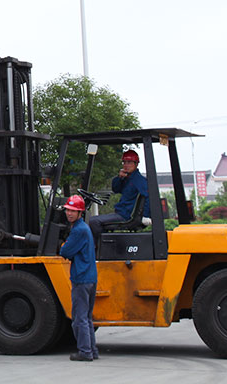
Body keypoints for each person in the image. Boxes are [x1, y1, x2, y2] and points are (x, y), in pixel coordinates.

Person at [59, 194, 99, 361]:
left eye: (73, 211)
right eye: (68, 210)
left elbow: (65, 251)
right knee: (87, 318)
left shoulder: (78, 231)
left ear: (80, 213)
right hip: (90, 277)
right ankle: (92, 351)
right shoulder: (84, 228)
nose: (69, 213)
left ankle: (85, 352)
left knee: (79, 318)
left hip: (81, 278)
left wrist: (63, 245)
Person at [88, 149, 150, 242]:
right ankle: (103, 244)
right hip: (122, 213)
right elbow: (116, 189)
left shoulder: (139, 181)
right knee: (96, 221)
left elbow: (148, 197)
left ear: (136, 164)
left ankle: (98, 247)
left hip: (126, 216)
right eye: (124, 162)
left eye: (129, 162)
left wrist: (145, 216)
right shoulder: (127, 178)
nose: (126, 165)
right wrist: (119, 178)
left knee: (93, 221)